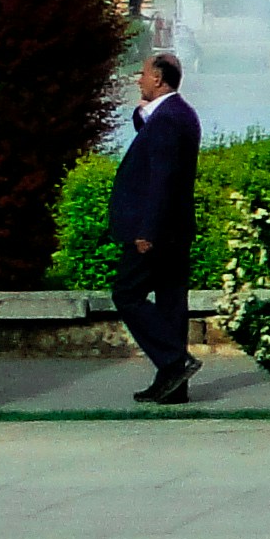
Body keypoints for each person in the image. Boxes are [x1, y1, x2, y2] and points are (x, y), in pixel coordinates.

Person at [110, 50, 202, 404]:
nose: (139, 79)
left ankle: (175, 360)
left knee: (127, 294)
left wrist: (146, 229)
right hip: (175, 227)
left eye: (144, 75)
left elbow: (162, 179)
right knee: (170, 302)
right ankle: (173, 385)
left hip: (157, 230)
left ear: (159, 80)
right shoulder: (177, 114)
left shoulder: (167, 119)